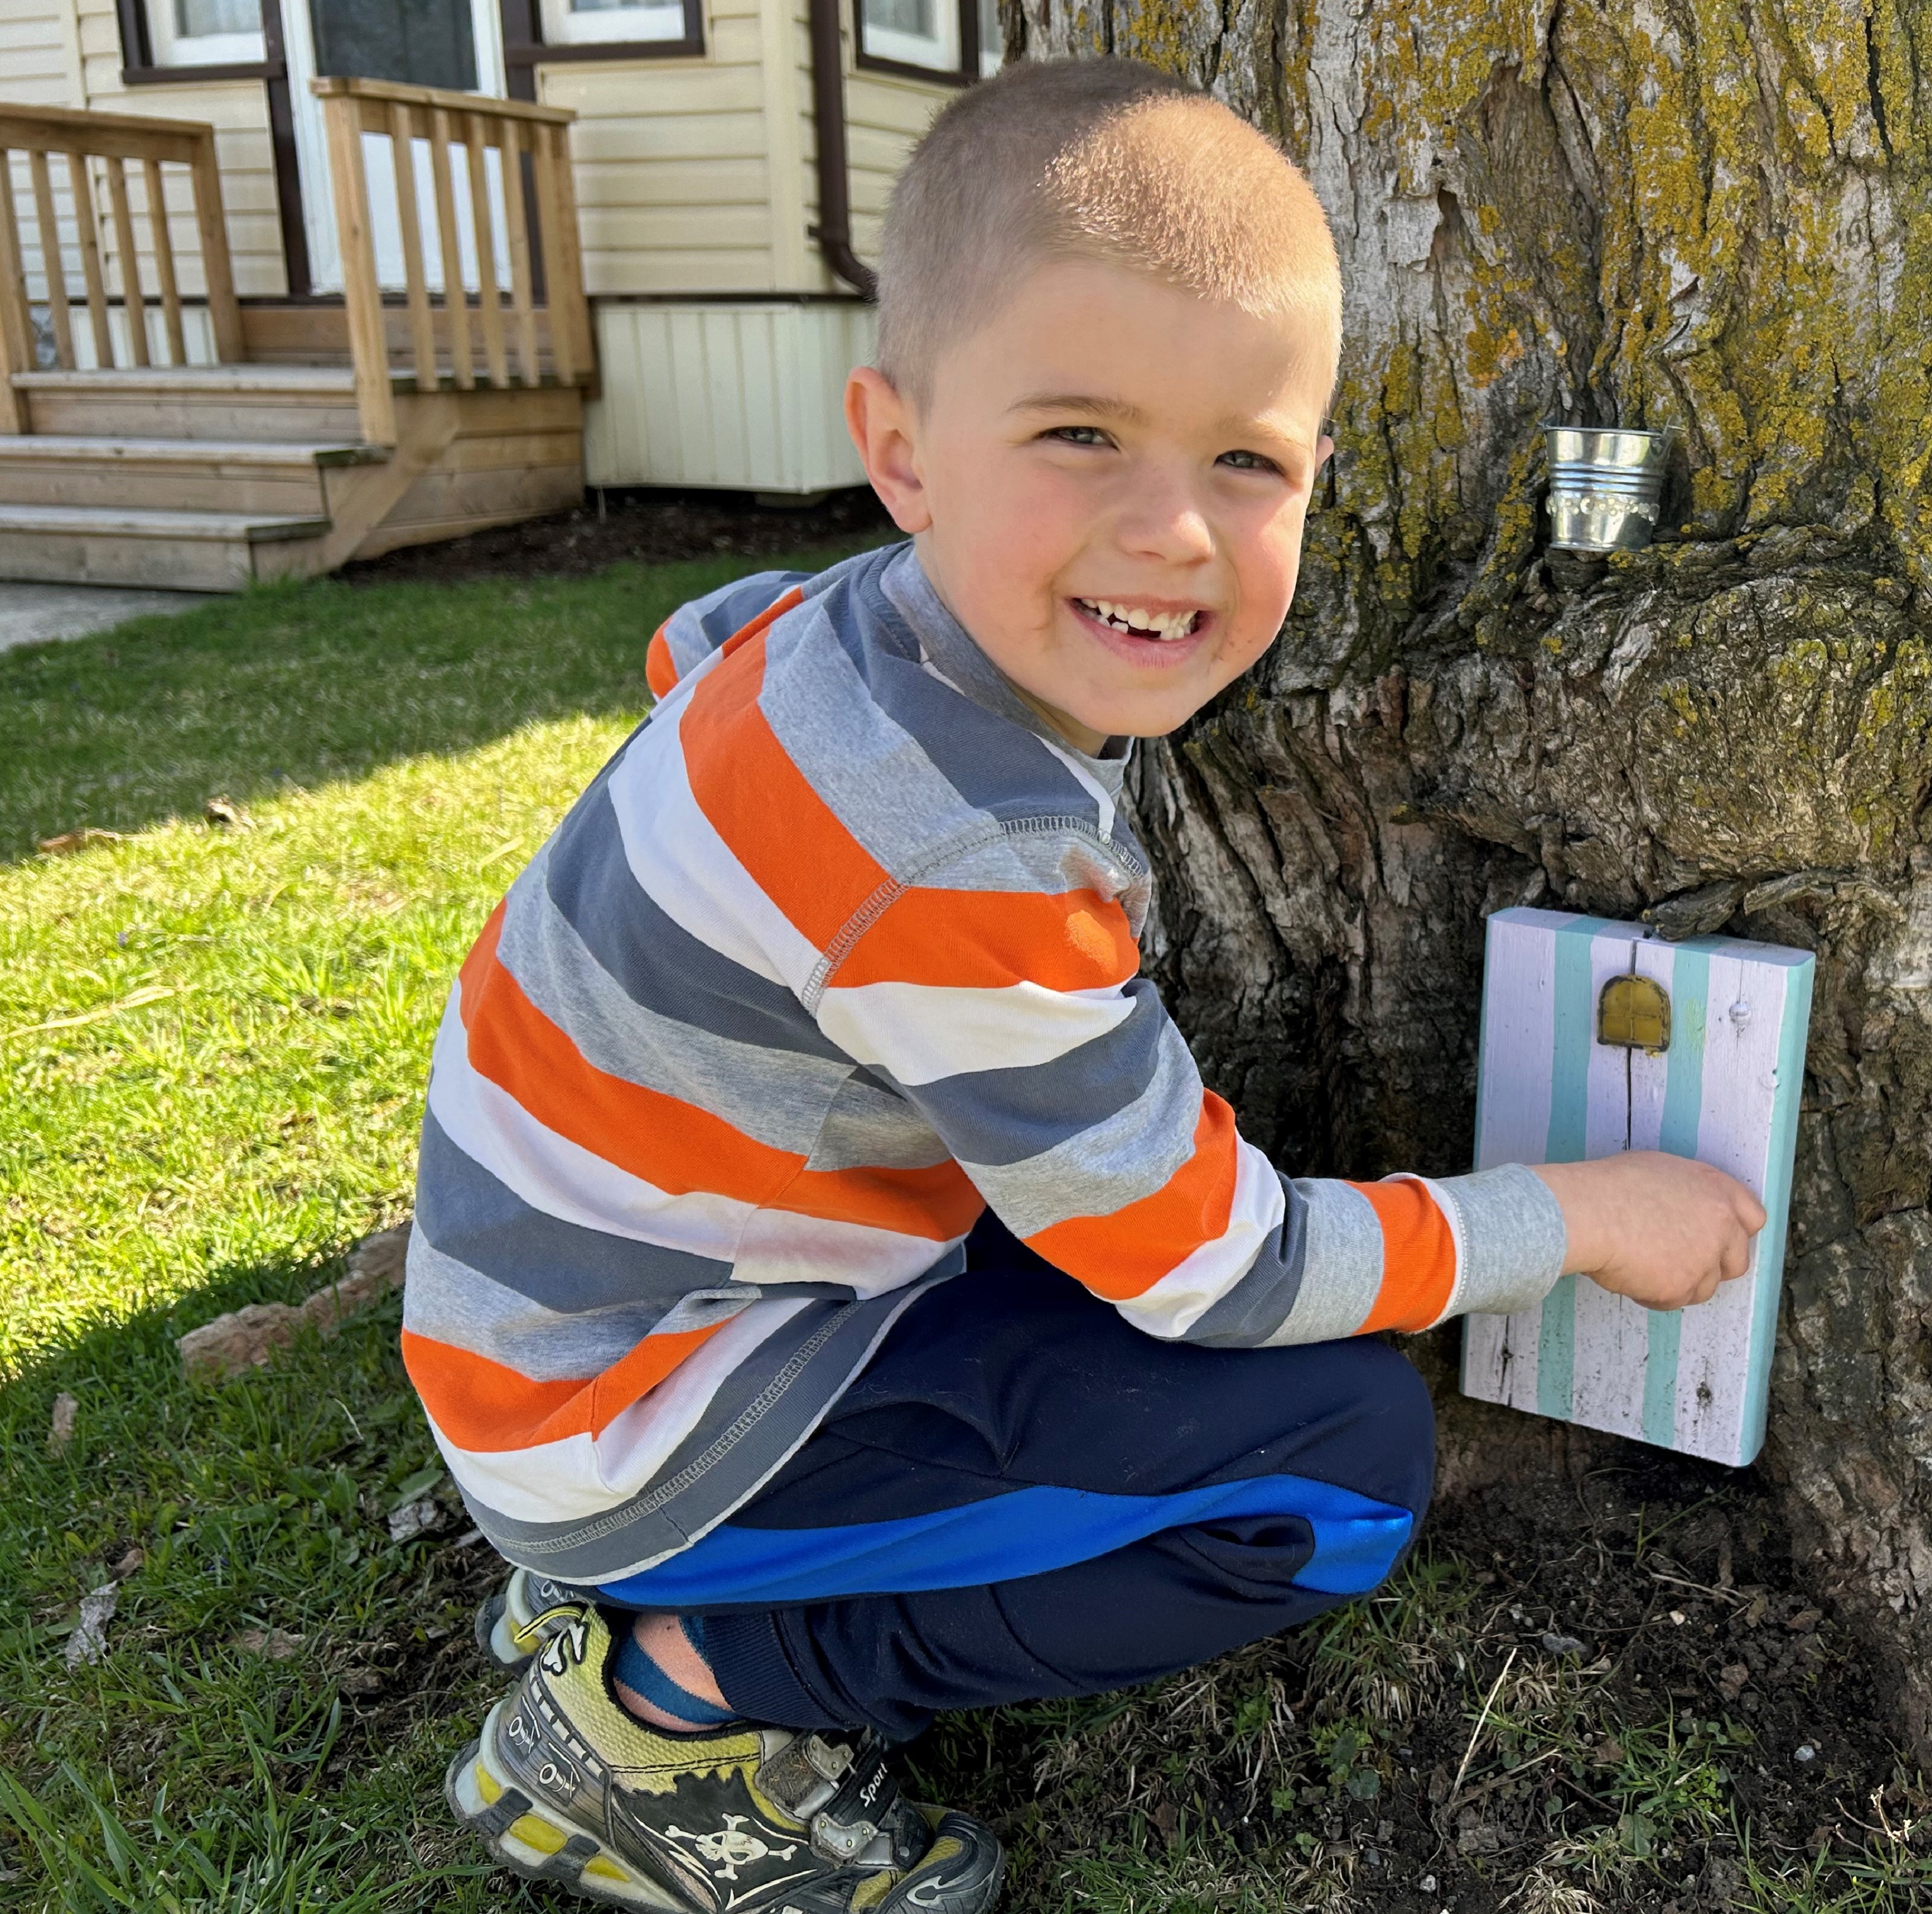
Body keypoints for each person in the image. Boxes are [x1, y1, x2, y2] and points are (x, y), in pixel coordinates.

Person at [408, 53, 1767, 1914]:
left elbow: (685, 644)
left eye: (1246, 461)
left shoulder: (837, 622)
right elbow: (1215, 1271)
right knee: (1337, 1471)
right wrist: (1583, 1215)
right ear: (900, 446)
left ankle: (677, 1574)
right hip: (632, 1409)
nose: (1175, 530)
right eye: (1079, 437)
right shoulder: (953, 847)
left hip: (566, 1326)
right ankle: (679, 1698)